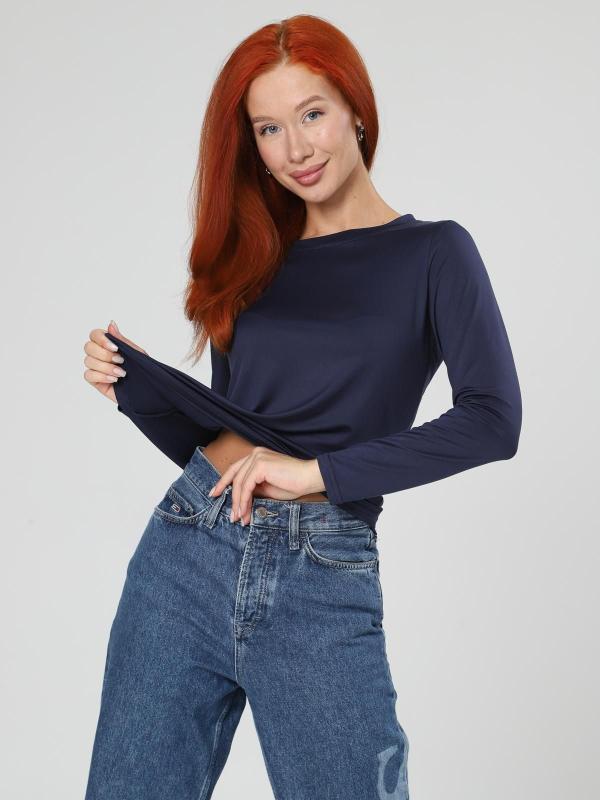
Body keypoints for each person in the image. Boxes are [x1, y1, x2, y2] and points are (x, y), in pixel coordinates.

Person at [82, 14, 521, 800]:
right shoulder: (254, 261)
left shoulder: (434, 253)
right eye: (269, 129)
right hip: (184, 551)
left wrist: (319, 472)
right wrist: (137, 390)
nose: (296, 149)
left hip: (320, 569)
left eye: (312, 113)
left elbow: (493, 419)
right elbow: (241, 447)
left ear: (356, 110)